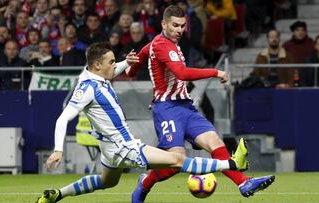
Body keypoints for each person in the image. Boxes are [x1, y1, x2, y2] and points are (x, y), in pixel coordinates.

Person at [36, 42, 249, 203]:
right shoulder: (87, 88)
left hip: (109, 150)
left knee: (106, 182)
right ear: (98, 64)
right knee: (177, 159)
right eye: (111, 61)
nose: (114, 65)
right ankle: (231, 163)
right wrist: (57, 150)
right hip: (124, 148)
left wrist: (126, 63)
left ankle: (58, 195)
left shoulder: (95, 76)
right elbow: (62, 118)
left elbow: (115, 69)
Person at [127, 5, 275, 202]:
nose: (180, 30)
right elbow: (182, 73)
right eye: (175, 25)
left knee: (215, 142)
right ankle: (145, 182)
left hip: (186, 107)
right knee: (175, 162)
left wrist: (130, 65)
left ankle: (243, 182)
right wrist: (215, 72)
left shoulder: (163, 44)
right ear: (164, 24)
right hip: (167, 108)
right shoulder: (162, 45)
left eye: (182, 26)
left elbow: (135, 66)